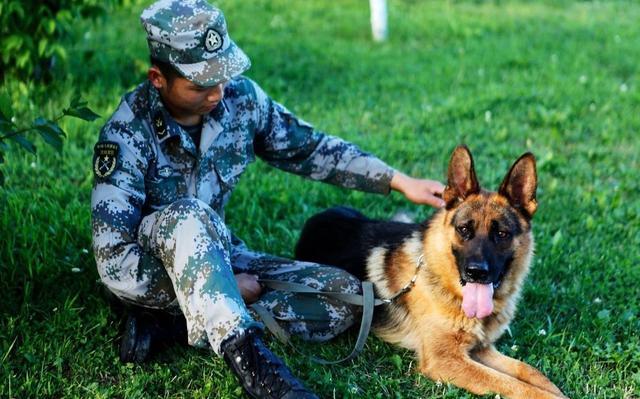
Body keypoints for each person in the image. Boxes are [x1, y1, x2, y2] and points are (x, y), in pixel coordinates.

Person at [91, 0, 445, 397]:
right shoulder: (126, 133)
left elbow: (309, 148)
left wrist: (398, 180)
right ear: (158, 78)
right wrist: (218, 286)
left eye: (222, 75)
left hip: (224, 253)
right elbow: (114, 264)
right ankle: (260, 372)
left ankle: (169, 327)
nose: (218, 92)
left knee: (345, 297)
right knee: (188, 215)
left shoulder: (241, 101)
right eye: (201, 84)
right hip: (154, 272)